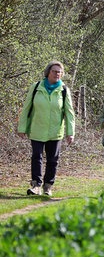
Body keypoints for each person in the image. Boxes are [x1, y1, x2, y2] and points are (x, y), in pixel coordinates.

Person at [17, 61, 75, 196]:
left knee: (53, 160)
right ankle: (36, 185)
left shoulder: (64, 90)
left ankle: (48, 186)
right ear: (48, 72)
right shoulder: (36, 87)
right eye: (54, 71)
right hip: (37, 129)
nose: (57, 74)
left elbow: (69, 113)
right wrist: (22, 127)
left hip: (55, 132)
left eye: (59, 72)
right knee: (36, 157)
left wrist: (70, 133)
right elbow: (26, 108)